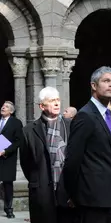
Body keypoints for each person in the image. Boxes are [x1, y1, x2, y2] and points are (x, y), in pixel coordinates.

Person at [63, 66, 111, 223]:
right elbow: (73, 159)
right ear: (94, 86)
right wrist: (73, 194)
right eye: (106, 81)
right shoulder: (85, 116)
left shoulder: (109, 115)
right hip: (91, 198)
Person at [21, 87, 73, 223]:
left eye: (57, 100)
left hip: (67, 191)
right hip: (42, 191)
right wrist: (38, 180)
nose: (57, 103)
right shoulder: (29, 131)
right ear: (42, 106)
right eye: (51, 101)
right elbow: (26, 163)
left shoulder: (71, 125)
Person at [0, 101, 23, 218]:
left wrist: (5, 151)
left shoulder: (16, 123)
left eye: (7, 107)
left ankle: (9, 209)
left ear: (11, 111)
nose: (3, 107)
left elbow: (18, 141)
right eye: (3, 106)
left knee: (7, 184)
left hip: (7, 157)